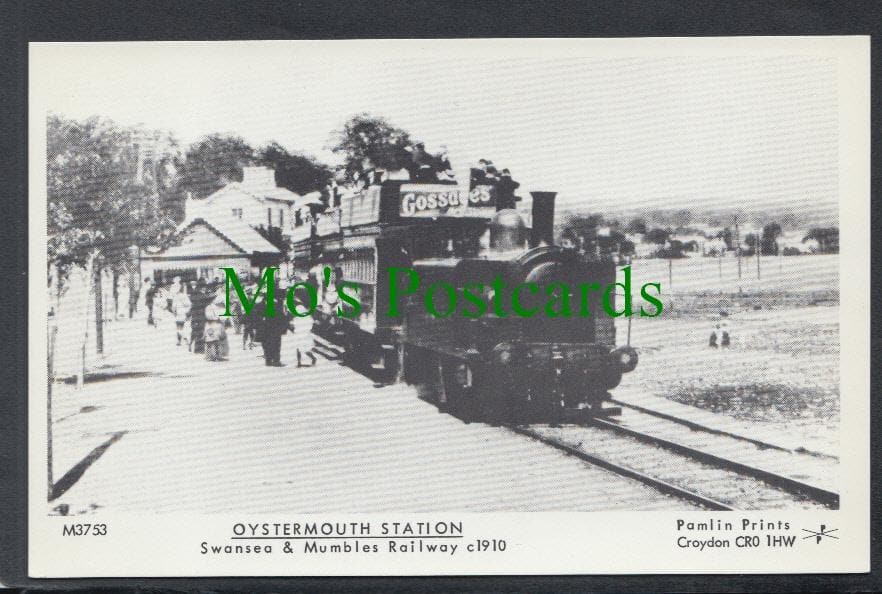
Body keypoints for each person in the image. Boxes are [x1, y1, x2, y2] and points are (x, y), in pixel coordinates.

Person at [257, 288, 290, 366]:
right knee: (276, 344)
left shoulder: (260, 304)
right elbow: (281, 317)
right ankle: (276, 361)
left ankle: (268, 361)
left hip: (264, 329)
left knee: (266, 345)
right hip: (274, 328)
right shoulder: (277, 304)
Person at [189, 279, 211, 354]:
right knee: (201, 331)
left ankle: (195, 348)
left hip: (195, 316)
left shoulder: (195, 295)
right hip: (201, 315)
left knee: (196, 331)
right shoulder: (203, 296)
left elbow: (192, 306)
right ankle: (199, 349)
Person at [203, 297, 227, 362]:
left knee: (210, 341)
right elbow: (220, 316)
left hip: (210, 324)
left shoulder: (208, 307)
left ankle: (210, 356)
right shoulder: (215, 307)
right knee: (215, 340)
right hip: (215, 324)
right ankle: (216, 356)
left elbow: (208, 316)